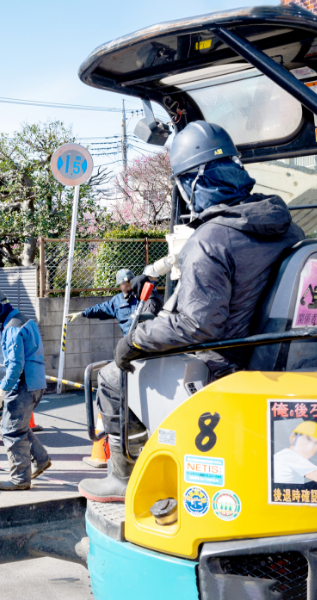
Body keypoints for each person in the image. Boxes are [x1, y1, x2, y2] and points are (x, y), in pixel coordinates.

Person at [78, 120, 305, 503]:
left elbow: (197, 324)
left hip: (221, 365)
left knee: (113, 377)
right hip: (275, 360)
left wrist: (134, 340)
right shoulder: (288, 228)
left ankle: (123, 475)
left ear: (193, 183)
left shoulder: (211, 239)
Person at [0, 287, 50, 491]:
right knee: (20, 427)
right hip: (37, 383)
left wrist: (2, 390)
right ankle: (41, 459)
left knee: (11, 432)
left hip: (23, 385)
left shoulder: (12, 328)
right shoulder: (26, 320)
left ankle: (20, 479)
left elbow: (15, 365)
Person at [67, 269, 163, 335]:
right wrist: (81, 314)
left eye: (130, 281)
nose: (128, 285)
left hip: (146, 339)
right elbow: (100, 309)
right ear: (120, 285)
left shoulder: (142, 297)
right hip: (130, 342)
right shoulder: (117, 301)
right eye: (124, 283)